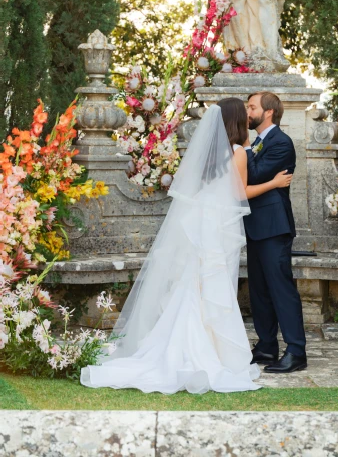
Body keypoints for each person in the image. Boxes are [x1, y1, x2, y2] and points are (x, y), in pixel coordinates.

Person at [80, 100, 291, 394]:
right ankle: (211, 352)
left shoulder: (208, 156)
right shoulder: (238, 152)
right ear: (236, 122)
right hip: (222, 226)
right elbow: (240, 192)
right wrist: (275, 183)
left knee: (195, 284)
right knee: (216, 285)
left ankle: (184, 345)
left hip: (202, 223)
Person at [239, 91, 307, 374]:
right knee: (259, 290)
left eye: (252, 107)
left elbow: (253, 176)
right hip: (255, 226)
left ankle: (296, 351)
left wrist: (243, 147)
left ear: (268, 112)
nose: (247, 112)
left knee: (281, 289)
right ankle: (267, 345)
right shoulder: (258, 142)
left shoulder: (281, 143)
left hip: (274, 227)